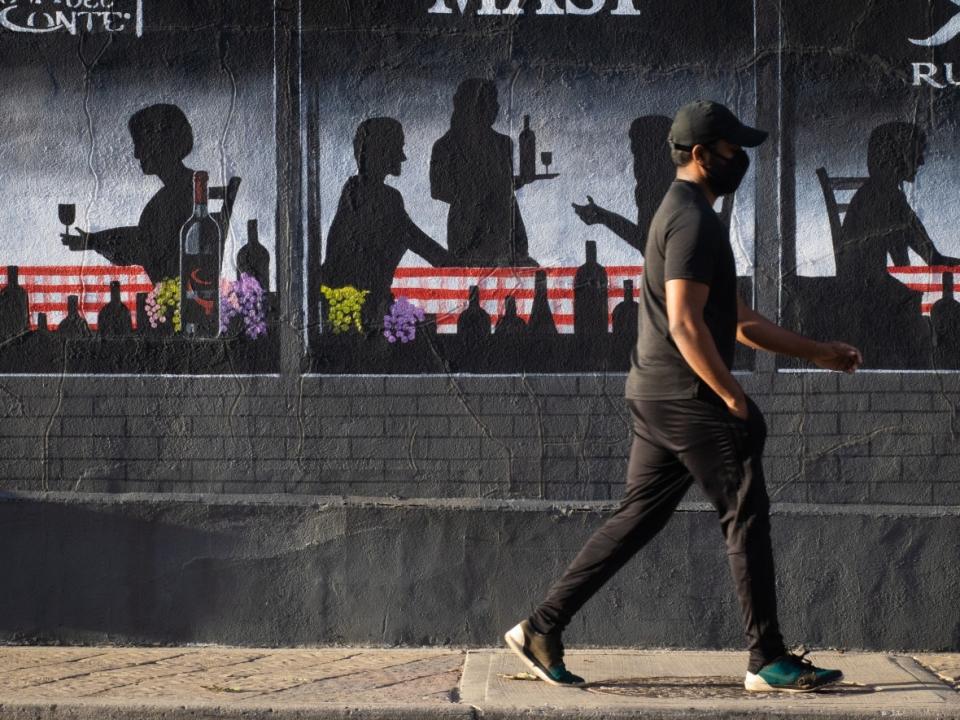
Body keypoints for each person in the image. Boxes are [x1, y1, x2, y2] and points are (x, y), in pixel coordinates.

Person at [504, 100, 863, 694]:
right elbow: (686, 324)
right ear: (701, 155)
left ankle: (541, 627)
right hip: (688, 395)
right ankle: (768, 659)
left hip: (657, 393)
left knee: (638, 517)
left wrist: (818, 351)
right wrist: (731, 396)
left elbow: (738, 321)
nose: (740, 160)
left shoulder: (683, 213)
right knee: (745, 516)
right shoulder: (692, 220)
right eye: (732, 150)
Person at [837, 122, 960, 367]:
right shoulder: (885, 196)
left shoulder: (881, 192)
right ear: (898, 155)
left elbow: (918, 242)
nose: (921, 162)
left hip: (869, 287)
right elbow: (924, 250)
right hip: (870, 293)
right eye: (917, 153)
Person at [322, 117, 456, 331]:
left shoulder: (358, 191)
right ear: (381, 151)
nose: (402, 157)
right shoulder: (382, 197)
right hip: (358, 315)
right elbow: (422, 244)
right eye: (398, 148)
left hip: (358, 310)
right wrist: (467, 259)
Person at [62, 104, 203, 284]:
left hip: (172, 302)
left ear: (161, 145)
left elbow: (144, 246)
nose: (136, 154)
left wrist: (92, 242)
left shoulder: (179, 193)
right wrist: (92, 241)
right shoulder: (183, 187)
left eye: (140, 145)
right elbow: (143, 239)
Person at [430, 79, 538, 267]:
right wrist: (482, 191)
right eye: (490, 102)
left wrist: (517, 181)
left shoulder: (503, 143)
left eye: (495, 102)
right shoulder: (445, 146)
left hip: (507, 229)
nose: (496, 107)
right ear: (473, 105)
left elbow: (505, 184)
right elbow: (438, 190)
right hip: (469, 233)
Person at [571, 116, 675, 257]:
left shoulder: (674, 194)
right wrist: (604, 217)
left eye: (645, 154)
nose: (639, 164)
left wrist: (605, 217)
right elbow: (647, 244)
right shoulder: (648, 190)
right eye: (636, 155)